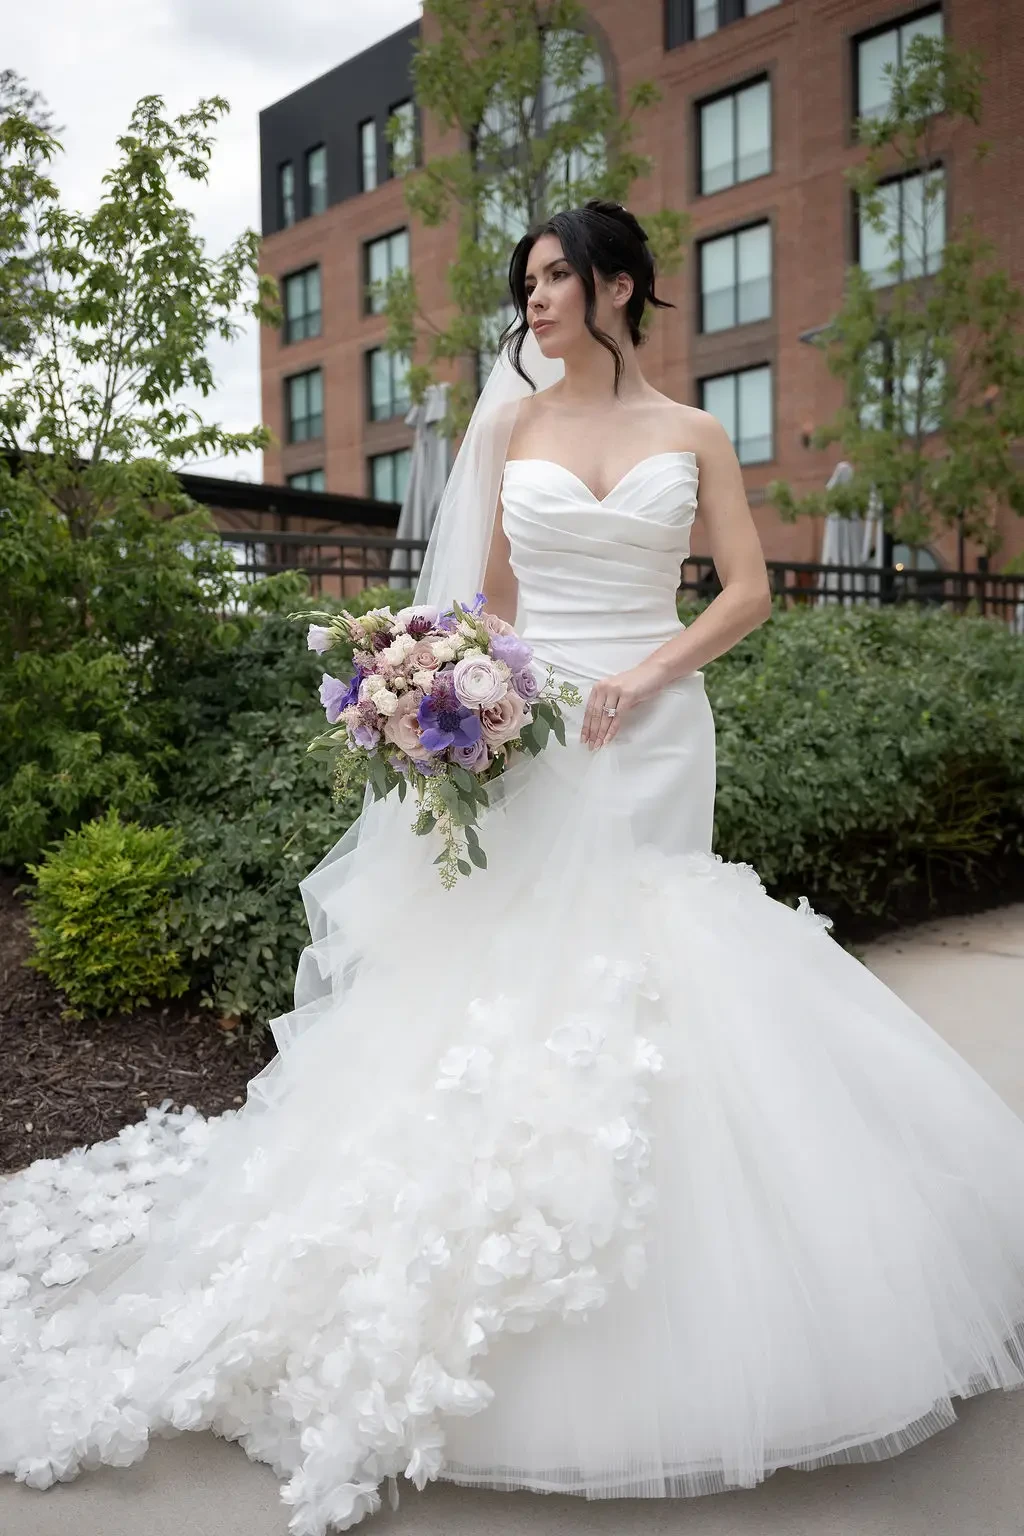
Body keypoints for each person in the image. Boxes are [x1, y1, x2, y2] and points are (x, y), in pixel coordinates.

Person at [3, 198, 1024, 1536]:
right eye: (527, 283)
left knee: (664, 965)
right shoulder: (515, 427)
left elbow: (750, 591)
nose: (535, 301)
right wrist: (439, 682)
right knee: (514, 975)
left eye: (555, 277)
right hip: (540, 733)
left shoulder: (693, 433)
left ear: (619, 285)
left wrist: (650, 674)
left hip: (656, 729)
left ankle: (686, 1280)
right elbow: (489, 601)